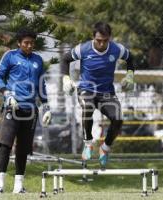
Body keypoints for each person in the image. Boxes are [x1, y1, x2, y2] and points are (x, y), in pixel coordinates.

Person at [61, 22, 134, 168]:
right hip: (86, 90)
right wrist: (66, 78)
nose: (101, 44)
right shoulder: (83, 49)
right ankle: (88, 143)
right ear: (93, 37)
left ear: (110, 38)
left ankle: (105, 148)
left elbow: (130, 59)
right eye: (98, 40)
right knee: (87, 107)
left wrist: (130, 76)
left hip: (106, 93)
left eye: (105, 41)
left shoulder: (116, 49)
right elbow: (65, 59)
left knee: (118, 118)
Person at [0, 28, 52, 194]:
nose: (29, 45)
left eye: (32, 43)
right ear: (19, 43)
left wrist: (46, 106)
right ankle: (0, 185)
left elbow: (42, 84)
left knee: (23, 148)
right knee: (5, 144)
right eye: (26, 42)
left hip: (31, 110)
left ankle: (19, 186)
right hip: (12, 107)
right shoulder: (10, 56)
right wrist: (7, 94)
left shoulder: (38, 60)